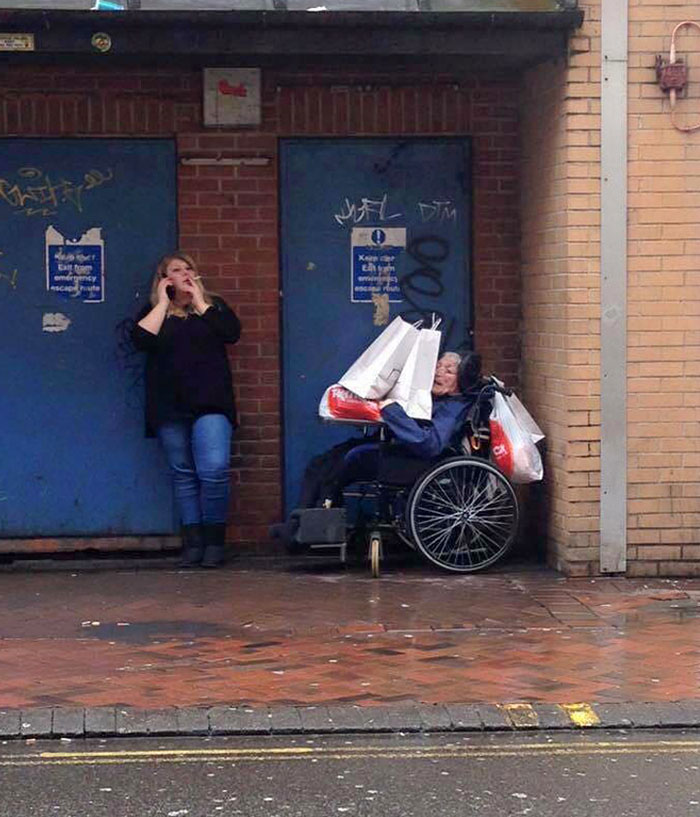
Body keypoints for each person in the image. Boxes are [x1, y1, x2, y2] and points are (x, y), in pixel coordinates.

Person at [271, 350, 485, 546]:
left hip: (413, 462)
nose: (439, 372)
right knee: (322, 462)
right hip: (400, 452)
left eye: (448, 371)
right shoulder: (433, 398)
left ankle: (309, 532)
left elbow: (429, 444)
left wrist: (392, 411)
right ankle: (301, 526)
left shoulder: (453, 407)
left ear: (462, 380)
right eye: (438, 366)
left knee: (342, 464)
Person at [130, 251, 241, 568]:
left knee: (214, 470)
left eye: (188, 268)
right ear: (163, 279)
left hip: (211, 401)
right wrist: (164, 302)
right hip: (169, 404)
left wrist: (199, 299)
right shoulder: (153, 311)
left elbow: (230, 333)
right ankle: (193, 543)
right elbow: (141, 339)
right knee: (183, 474)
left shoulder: (213, 307)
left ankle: (215, 542)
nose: (183, 273)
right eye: (175, 270)